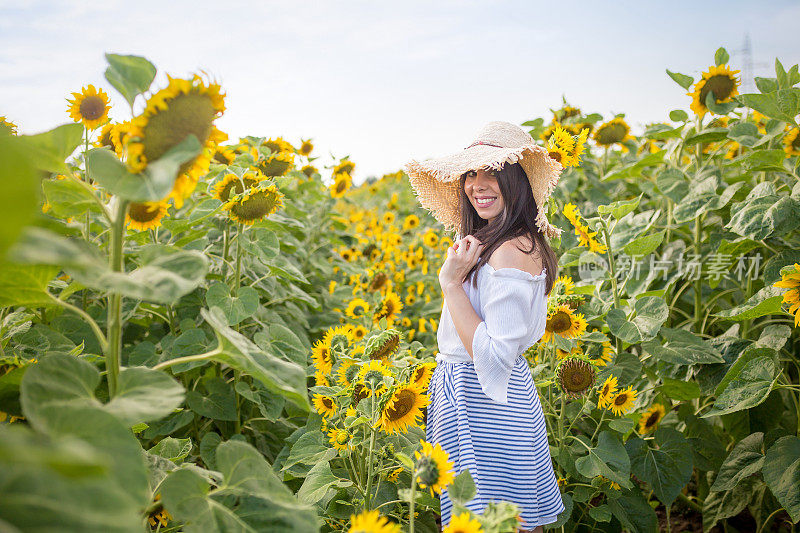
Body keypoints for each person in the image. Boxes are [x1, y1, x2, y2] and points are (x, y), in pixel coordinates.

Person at [404, 121, 566, 533]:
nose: (479, 184)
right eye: (471, 173)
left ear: (518, 181)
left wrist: (450, 285)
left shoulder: (510, 251)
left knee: (497, 522)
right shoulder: (496, 242)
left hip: (487, 403)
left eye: (493, 171)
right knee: (492, 519)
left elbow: (494, 359)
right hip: (471, 399)